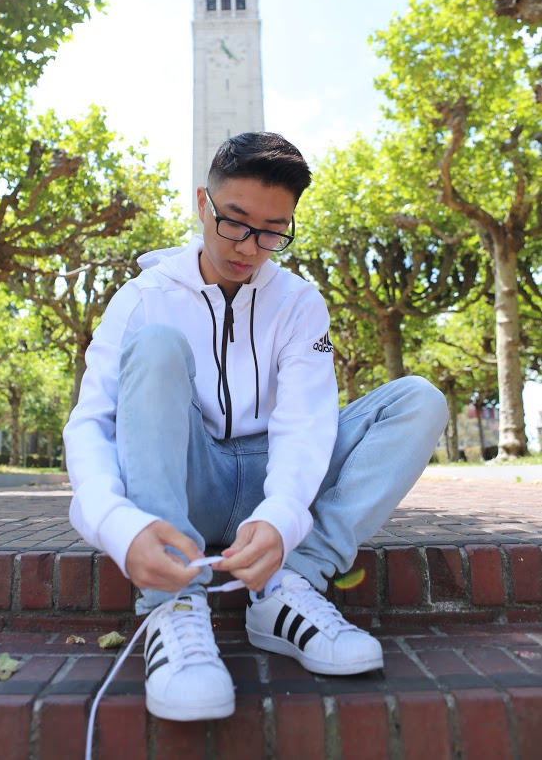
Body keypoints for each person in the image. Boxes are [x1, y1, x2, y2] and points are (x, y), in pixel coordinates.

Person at [64, 132, 448, 722]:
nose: (250, 246)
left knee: (417, 400)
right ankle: (173, 604)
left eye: (273, 230)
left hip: (273, 469)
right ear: (202, 203)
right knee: (156, 347)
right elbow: (92, 424)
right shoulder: (142, 298)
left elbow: (306, 423)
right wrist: (117, 525)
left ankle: (291, 581)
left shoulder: (298, 303)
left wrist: (283, 515)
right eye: (234, 222)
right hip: (190, 476)